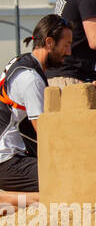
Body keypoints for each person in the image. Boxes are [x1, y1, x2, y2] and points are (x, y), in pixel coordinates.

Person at [0, 15, 72, 206]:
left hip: (9, 158)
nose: (69, 51)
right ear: (49, 42)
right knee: (67, 178)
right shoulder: (31, 78)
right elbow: (44, 132)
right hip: (7, 161)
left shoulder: (22, 62)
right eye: (66, 45)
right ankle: (5, 199)